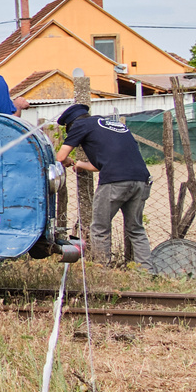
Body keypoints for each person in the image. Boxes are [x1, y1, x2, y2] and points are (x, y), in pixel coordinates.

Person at [55, 103, 154, 268]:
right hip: (141, 180)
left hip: (115, 182)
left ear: (70, 125)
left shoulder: (80, 125)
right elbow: (99, 165)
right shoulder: (112, 125)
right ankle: (147, 272)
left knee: (100, 228)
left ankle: (102, 270)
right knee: (136, 229)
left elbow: (60, 156)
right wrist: (79, 164)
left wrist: (68, 161)